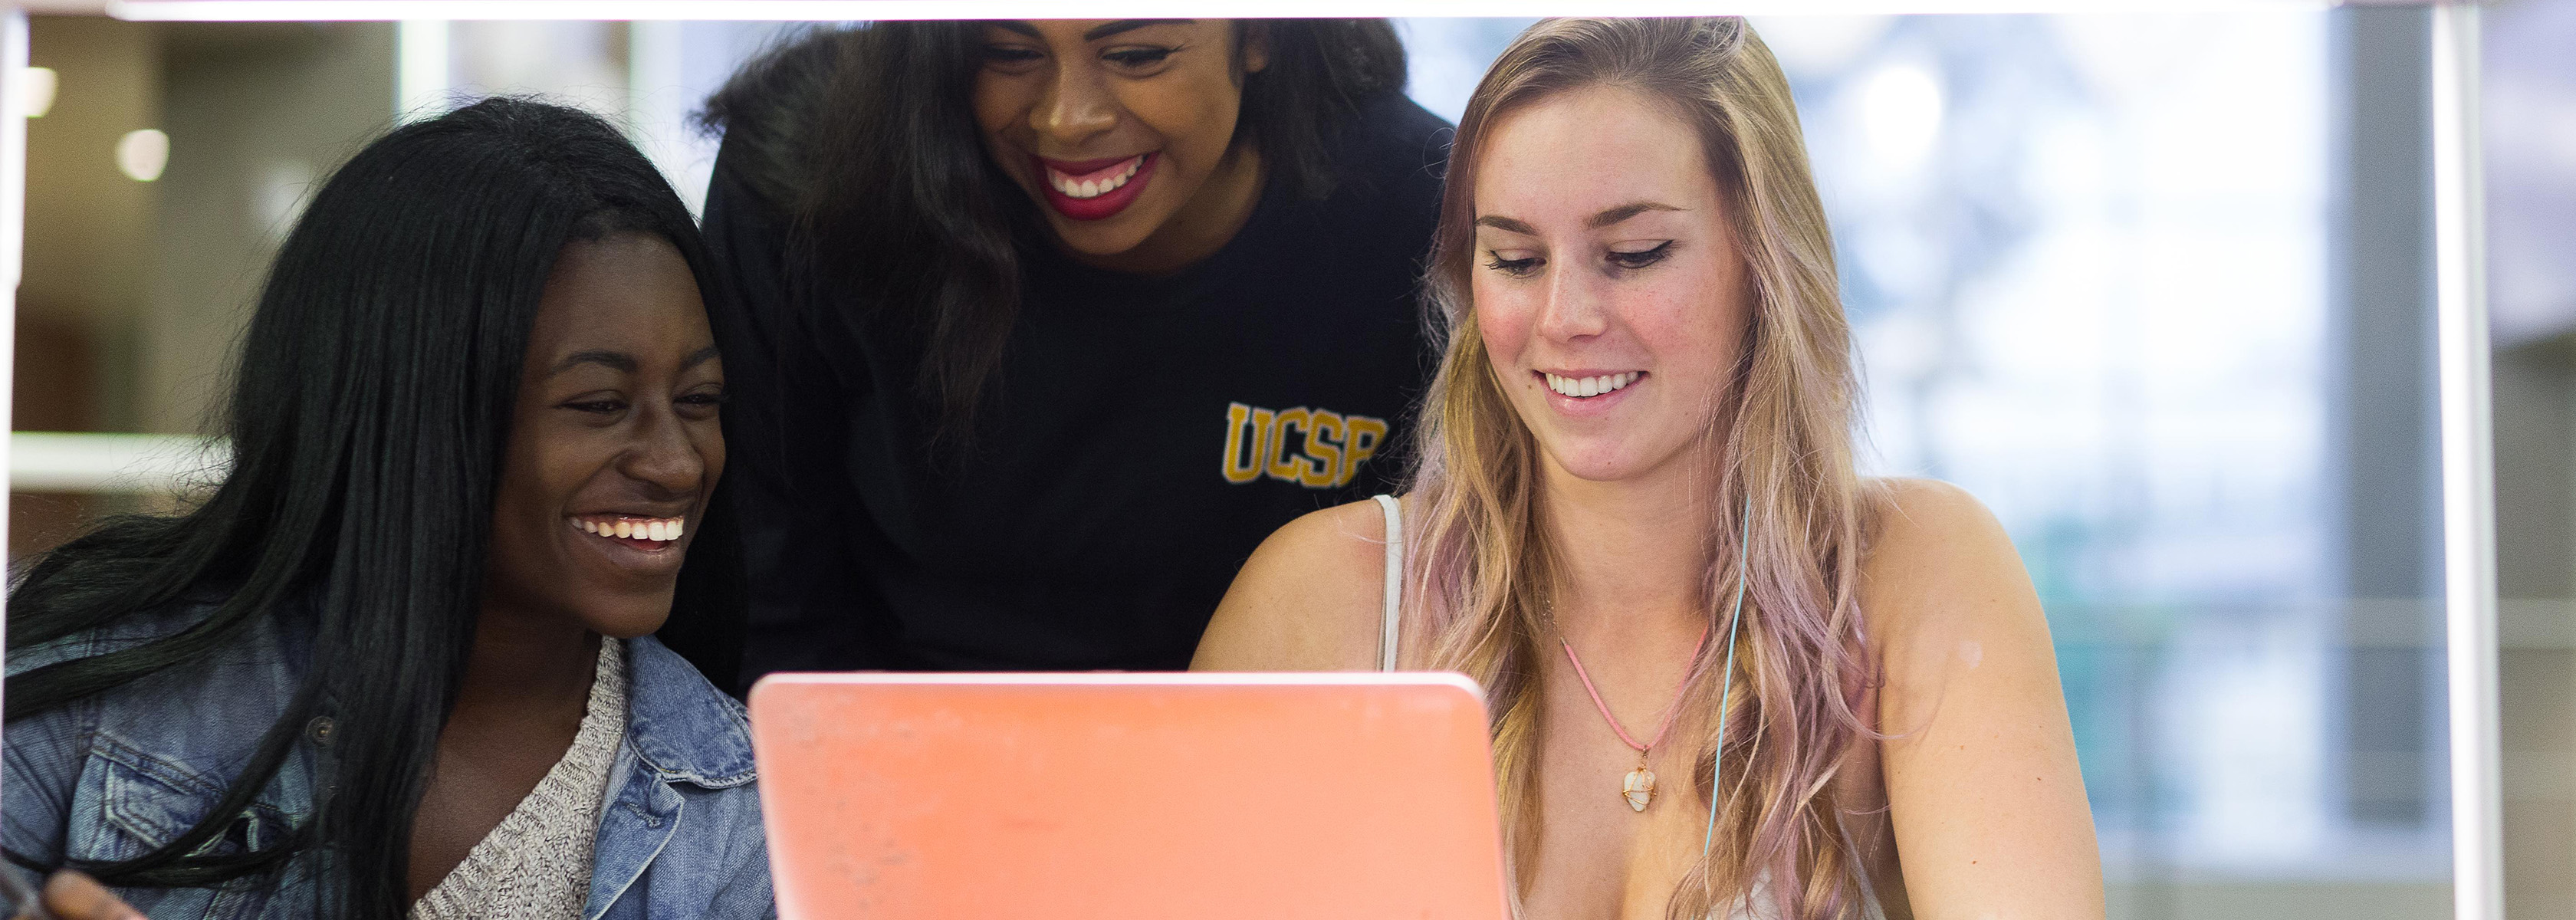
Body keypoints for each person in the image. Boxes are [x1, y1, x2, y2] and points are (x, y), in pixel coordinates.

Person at [1195, 18, 2104, 919]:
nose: (1564, 317)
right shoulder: (1322, 602)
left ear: (1765, 263)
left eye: (1633, 255)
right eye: (1515, 259)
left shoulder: (1915, 572)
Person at [3, 98, 770, 920]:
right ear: (409, 409)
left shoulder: (738, 812)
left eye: (700, 398)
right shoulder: (92, 688)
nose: (676, 461)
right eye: (598, 403)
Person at [698, 18, 1447, 676]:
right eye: (1008, 53)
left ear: (1259, 34)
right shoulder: (813, 180)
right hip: (891, 771)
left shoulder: (1430, 220)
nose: (1067, 119)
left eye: (1139, 54)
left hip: (1281, 777)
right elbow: (767, 604)